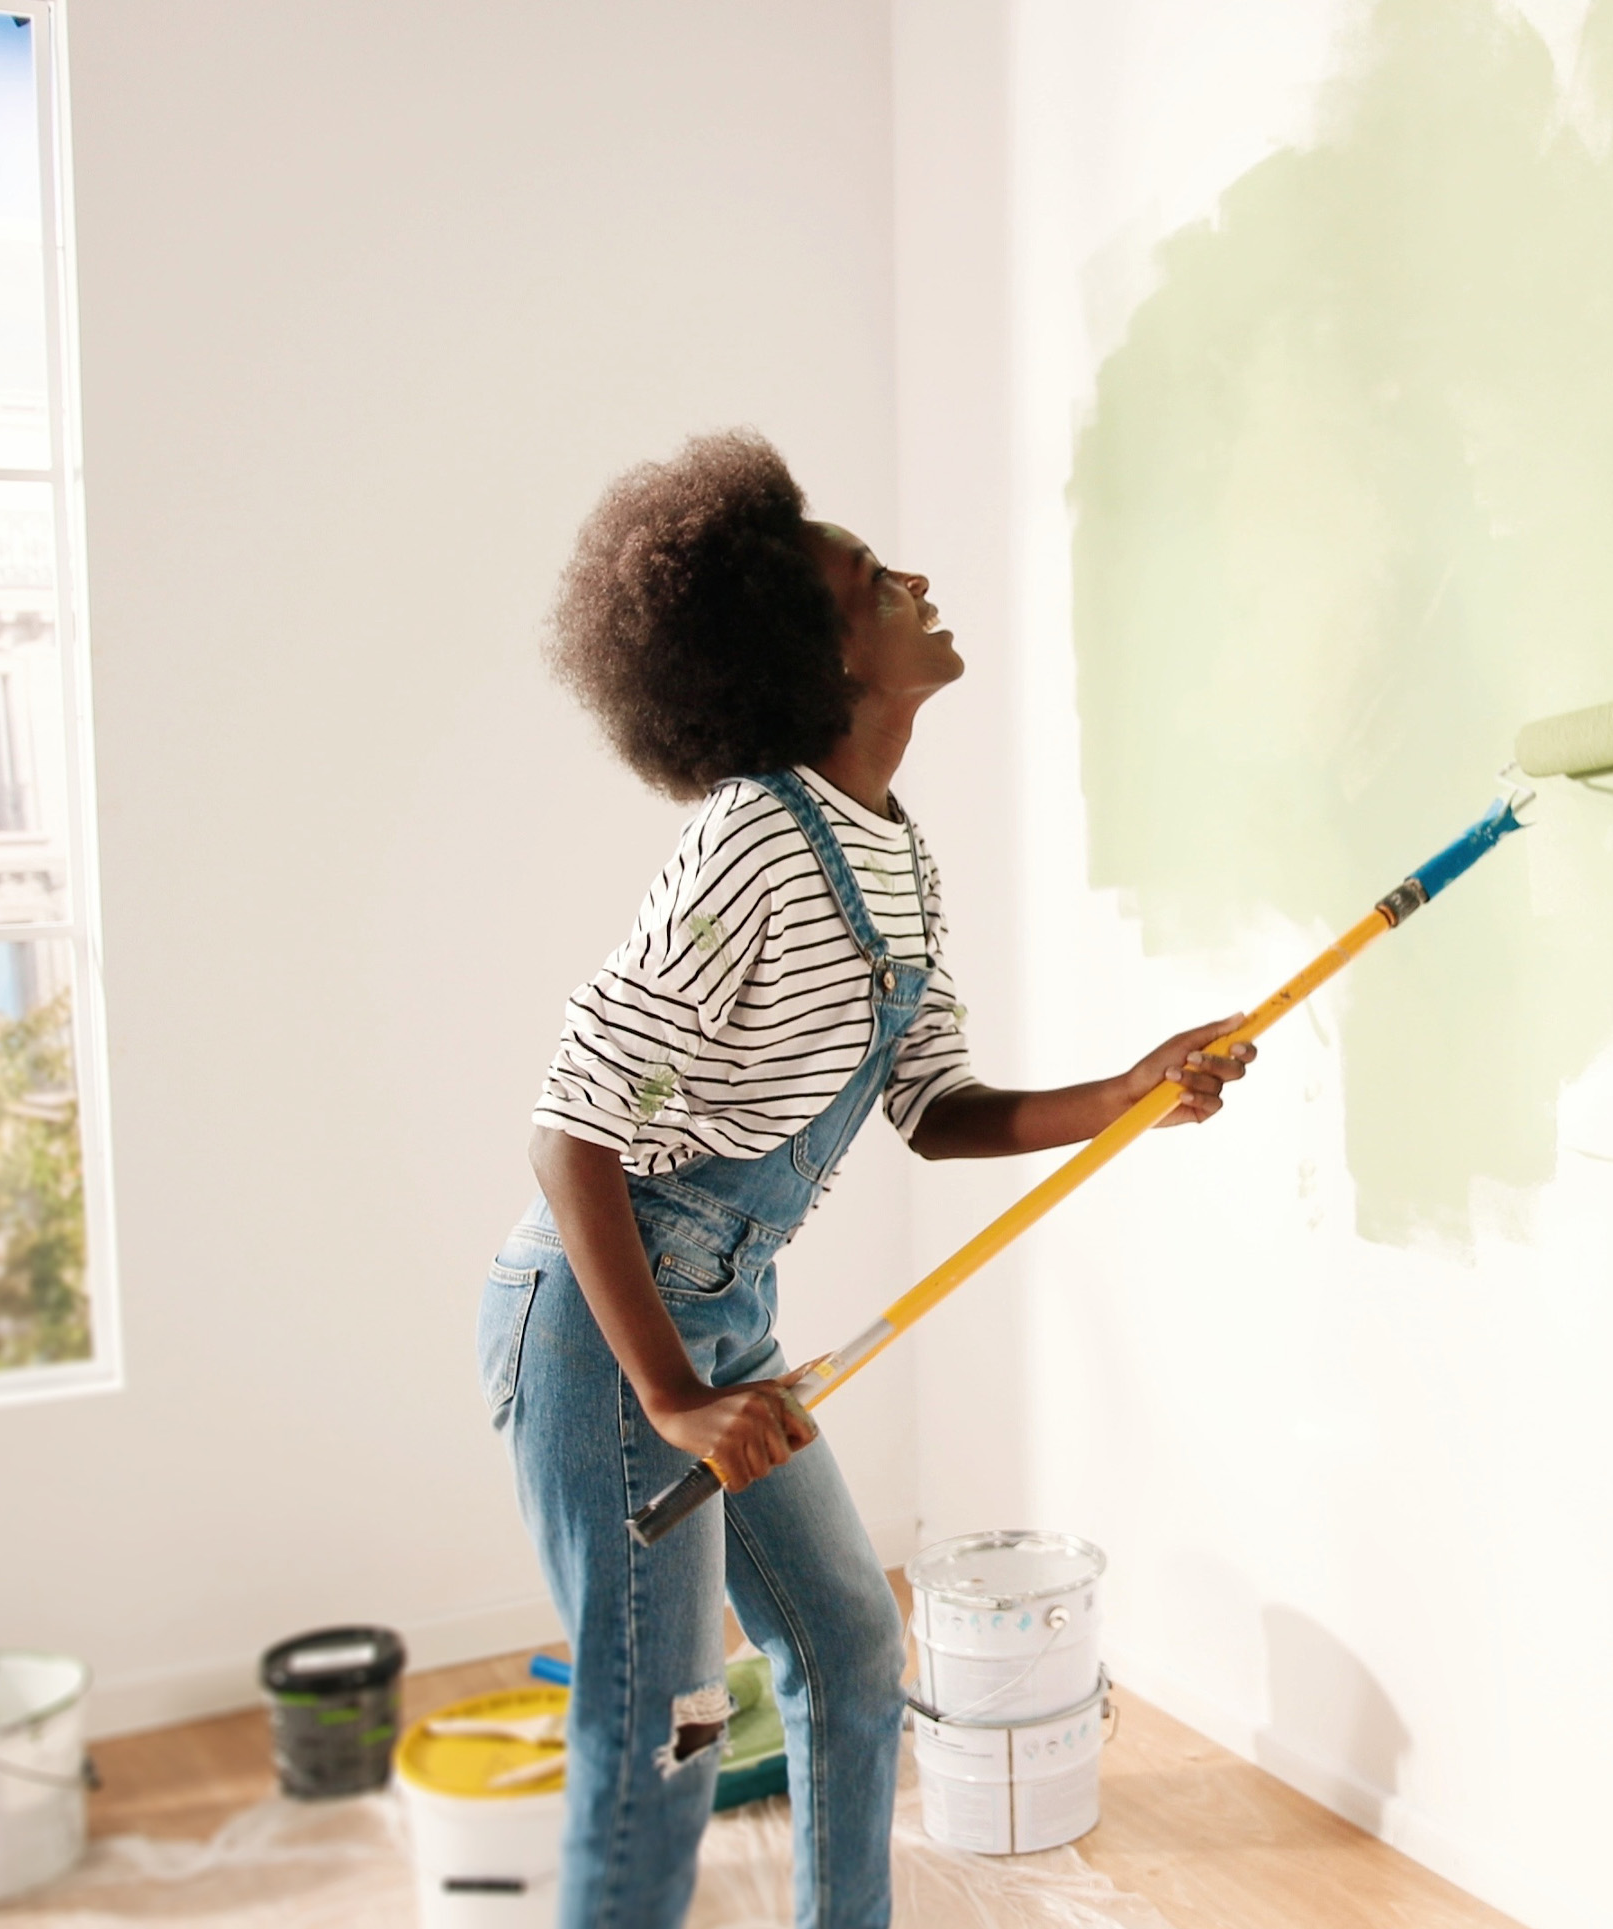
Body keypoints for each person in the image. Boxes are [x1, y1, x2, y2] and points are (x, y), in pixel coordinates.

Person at [477, 430, 1251, 1929]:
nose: (913, 578)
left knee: (847, 1653)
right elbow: (572, 1129)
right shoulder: (754, 839)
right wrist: (670, 1395)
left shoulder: (895, 851)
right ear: (811, 650)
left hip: (722, 1318)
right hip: (599, 1327)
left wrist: (1133, 1093)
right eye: (867, 576)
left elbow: (934, 1106)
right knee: (662, 1739)